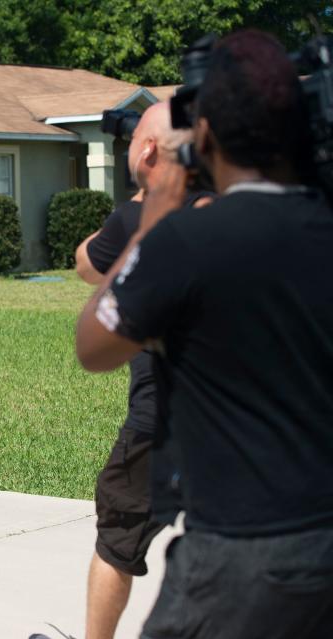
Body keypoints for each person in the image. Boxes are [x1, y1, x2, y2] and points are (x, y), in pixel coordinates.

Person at [75, 30, 333, 638]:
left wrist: (158, 211)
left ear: (206, 136)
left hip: (241, 555)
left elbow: (95, 345)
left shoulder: (188, 243)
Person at [74, 102, 210, 639]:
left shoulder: (139, 219)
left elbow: (87, 265)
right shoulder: (239, 215)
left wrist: (138, 210)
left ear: (148, 150)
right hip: (246, 425)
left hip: (159, 424)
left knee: (118, 540)